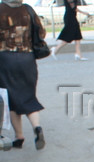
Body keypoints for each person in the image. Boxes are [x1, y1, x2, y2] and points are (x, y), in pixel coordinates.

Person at [0, 0, 46, 149]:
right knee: (28, 96)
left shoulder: (1, 9)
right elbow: (41, 32)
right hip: (27, 59)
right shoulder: (28, 10)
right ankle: (37, 128)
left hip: (6, 59)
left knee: (11, 98)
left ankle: (19, 137)